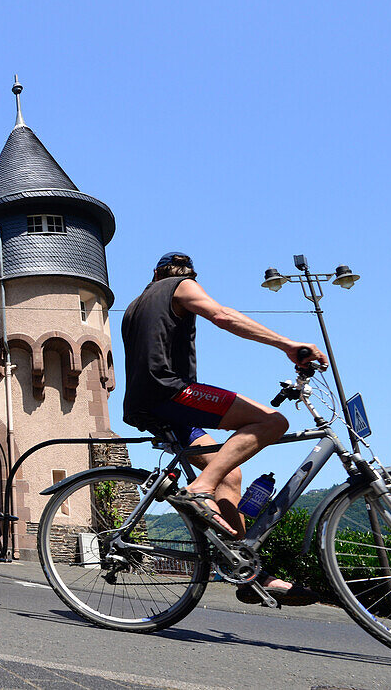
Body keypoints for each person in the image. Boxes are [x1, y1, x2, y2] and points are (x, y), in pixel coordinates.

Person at [121, 252, 327, 605]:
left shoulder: (135, 304)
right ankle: (199, 489)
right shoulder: (180, 286)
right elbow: (222, 315)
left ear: (154, 272)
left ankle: (247, 572)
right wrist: (288, 345)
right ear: (186, 276)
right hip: (172, 392)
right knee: (272, 420)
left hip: (149, 403)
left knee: (229, 476)